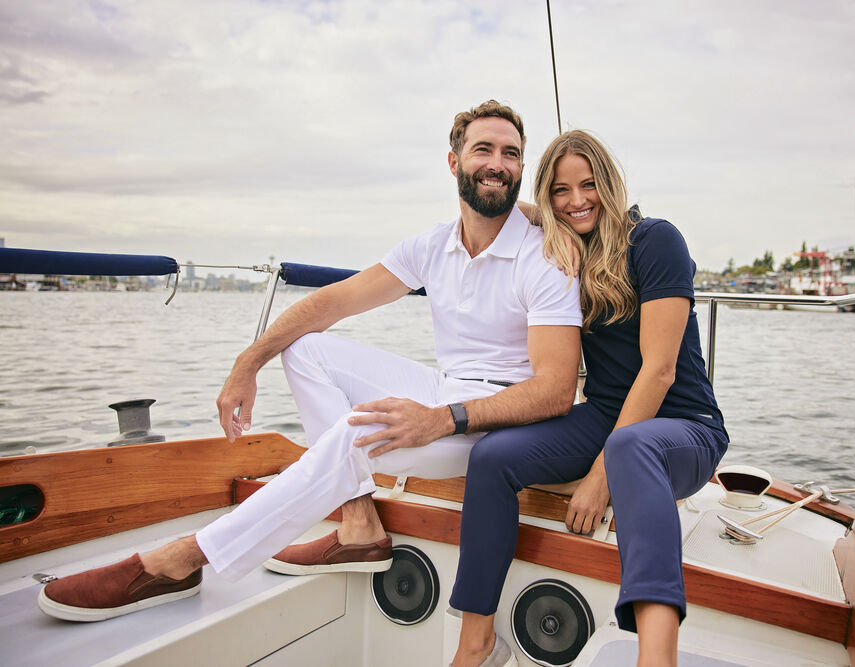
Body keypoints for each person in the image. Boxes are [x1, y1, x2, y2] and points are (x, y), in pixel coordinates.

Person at [37, 101, 582, 657]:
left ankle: (181, 560)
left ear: (522, 167)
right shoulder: (433, 246)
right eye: (483, 150)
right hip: (448, 388)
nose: (497, 164)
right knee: (305, 348)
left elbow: (556, 390)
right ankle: (358, 522)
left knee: (355, 432)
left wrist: (440, 419)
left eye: (511, 154)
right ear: (453, 162)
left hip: (496, 419)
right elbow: (333, 302)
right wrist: (248, 362)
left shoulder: (545, 254)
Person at [449, 130, 728, 667]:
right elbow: (516, 209)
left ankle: (656, 657)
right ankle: (477, 643)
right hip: (605, 416)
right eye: (561, 190)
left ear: (609, 182)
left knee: (630, 449)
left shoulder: (656, 241)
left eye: (588, 184)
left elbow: (660, 370)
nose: (576, 200)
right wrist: (496, 191)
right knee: (490, 457)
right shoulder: (568, 249)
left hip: (684, 425)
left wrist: (600, 476)